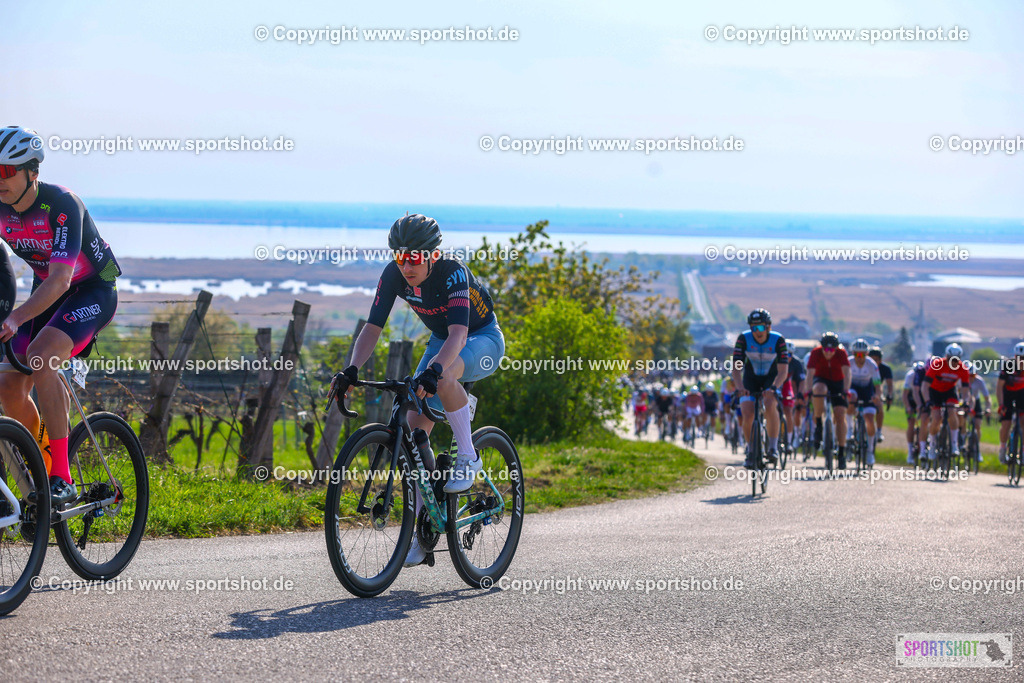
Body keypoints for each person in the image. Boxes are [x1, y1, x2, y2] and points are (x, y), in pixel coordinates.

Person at [333, 213, 504, 567]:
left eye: (413, 258)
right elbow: (373, 327)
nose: (406, 266)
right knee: (411, 429)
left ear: (431, 255)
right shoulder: (394, 275)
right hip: (442, 338)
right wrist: (352, 370)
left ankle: (469, 457)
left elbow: (459, 335)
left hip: (481, 338)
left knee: (441, 379)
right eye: (400, 257)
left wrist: (435, 371)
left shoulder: (453, 271)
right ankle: (425, 531)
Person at [0, 126, 121, 506]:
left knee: (40, 356)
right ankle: (41, 459)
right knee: (6, 386)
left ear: (32, 172)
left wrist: (16, 317)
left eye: (6, 172)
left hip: (92, 291)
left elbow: (61, 280)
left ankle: (62, 478)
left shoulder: (64, 204)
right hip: (48, 292)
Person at [730, 308, 788, 467]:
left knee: (770, 404)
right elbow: (736, 369)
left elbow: (783, 371)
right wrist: (740, 387)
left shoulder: (778, 340)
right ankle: (750, 450)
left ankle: (772, 447)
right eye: (753, 328)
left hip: (771, 378)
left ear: (768, 326)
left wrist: (775, 388)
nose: (757, 331)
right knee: (747, 412)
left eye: (761, 327)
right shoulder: (743, 339)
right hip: (751, 378)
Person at [805, 331, 851, 468]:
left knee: (840, 414)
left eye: (832, 350)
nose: (829, 353)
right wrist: (808, 391)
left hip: (838, 382)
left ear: (836, 348)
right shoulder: (815, 353)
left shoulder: (842, 353)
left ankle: (842, 451)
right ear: (822, 347)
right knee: (818, 390)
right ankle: (818, 423)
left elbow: (848, 373)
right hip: (822, 379)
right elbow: (809, 374)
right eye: (826, 349)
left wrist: (846, 390)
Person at [922, 343, 970, 459]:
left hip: (949, 391)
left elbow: (965, 389)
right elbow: (925, 386)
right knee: (937, 417)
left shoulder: (963, 369)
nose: (953, 363)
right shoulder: (937, 365)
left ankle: (954, 445)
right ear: (946, 357)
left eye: (955, 360)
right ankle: (932, 445)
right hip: (935, 392)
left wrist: (965, 401)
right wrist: (927, 400)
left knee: (952, 412)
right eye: (950, 359)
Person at [848, 339, 880, 466]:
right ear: (853, 353)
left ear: (866, 354)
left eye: (862, 354)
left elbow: (877, 385)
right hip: (853, 387)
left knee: (870, 419)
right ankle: (850, 430)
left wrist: (877, 396)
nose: (859, 357)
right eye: (857, 354)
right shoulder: (849, 362)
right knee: (851, 398)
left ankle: (870, 451)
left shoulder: (871, 364)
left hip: (867, 390)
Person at [997, 343, 1024, 464]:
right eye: (1019, 357)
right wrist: (1001, 405)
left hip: (1021, 394)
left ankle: (1022, 451)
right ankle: (1003, 448)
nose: (1021, 360)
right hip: (1007, 394)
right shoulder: (1008, 364)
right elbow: (999, 387)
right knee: (1006, 424)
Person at [964, 361, 990, 464]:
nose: (971, 377)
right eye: (969, 375)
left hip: (976, 401)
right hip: (964, 401)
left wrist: (988, 408)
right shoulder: (961, 380)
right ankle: (962, 442)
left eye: (973, 375)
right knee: (962, 421)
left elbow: (987, 398)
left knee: (978, 425)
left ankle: (976, 448)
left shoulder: (980, 381)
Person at [902, 361, 927, 464]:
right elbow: (904, 395)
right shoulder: (910, 376)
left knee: (925, 423)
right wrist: (908, 407)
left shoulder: (925, 375)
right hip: (911, 399)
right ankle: (910, 451)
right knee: (911, 423)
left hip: (922, 397)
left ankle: (924, 447)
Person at [781, 341, 805, 449]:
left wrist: (799, 394)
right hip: (775, 384)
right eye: (784, 355)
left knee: (788, 411)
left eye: (789, 355)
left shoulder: (797, 363)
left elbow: (801, 381)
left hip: (787, 384)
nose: (786, 357)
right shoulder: (775, 360)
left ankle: (789, 442)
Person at [868, 346, 894, 442]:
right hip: (864, 389)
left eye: (876, 360)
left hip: (877, 389)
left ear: (880, 360)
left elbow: (890, 384)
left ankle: (878, 431)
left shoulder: (885, 368)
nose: (874, 362)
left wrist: (890, 395)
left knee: (879, 406)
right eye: (872, 359)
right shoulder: (865, 365)